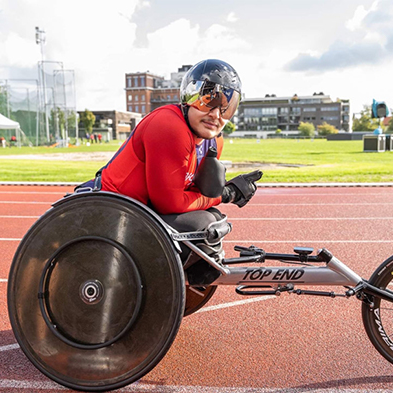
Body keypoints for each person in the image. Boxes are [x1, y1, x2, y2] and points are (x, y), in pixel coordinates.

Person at [78, 59, 262, 272]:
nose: (216, 116)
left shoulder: (214, 141)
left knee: (213, 217)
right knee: (200, 224)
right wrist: (226, 194)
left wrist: (220, 190)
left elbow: (192, 194)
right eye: (207, 103)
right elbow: (171, 204)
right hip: (109, 212)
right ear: (188, 98)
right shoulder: (169, 126)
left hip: (139, 213)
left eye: (225, 108)